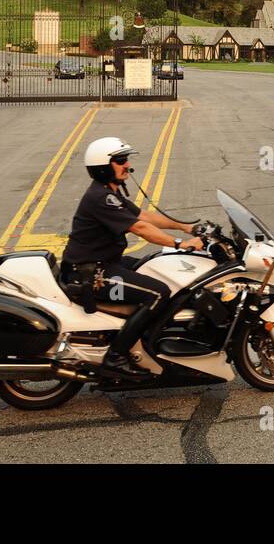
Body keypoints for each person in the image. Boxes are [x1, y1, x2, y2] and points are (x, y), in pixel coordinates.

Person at [61, 136, 205, 378]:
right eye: (120, 161)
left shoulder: (108, 192)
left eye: (126, 159)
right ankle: (116, 356)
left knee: (150, 264)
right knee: (159, 293)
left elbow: (145, 217)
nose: (127, 165)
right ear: (103, 166)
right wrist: (181, 244)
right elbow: (140, 229)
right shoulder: (101, 198)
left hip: (103, 264)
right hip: (91, 273)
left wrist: (185, 227)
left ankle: (148, 340)